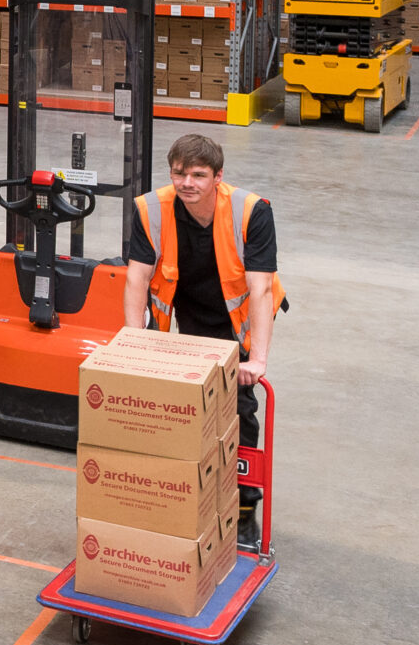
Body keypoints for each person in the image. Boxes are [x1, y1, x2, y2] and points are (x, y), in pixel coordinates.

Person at [124, 131, 282, 542]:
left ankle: (244, 507)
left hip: (241, 315)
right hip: (191, 310)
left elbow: (261, 288)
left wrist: (257, 360)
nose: (187, 183)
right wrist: (133, 341)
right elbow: (137, 278)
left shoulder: (252, 211)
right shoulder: (151, 209)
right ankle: (189, 490)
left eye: (198, 174)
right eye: (179, 174)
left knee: (239, 405)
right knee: (190, 401)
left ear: (218, 176)